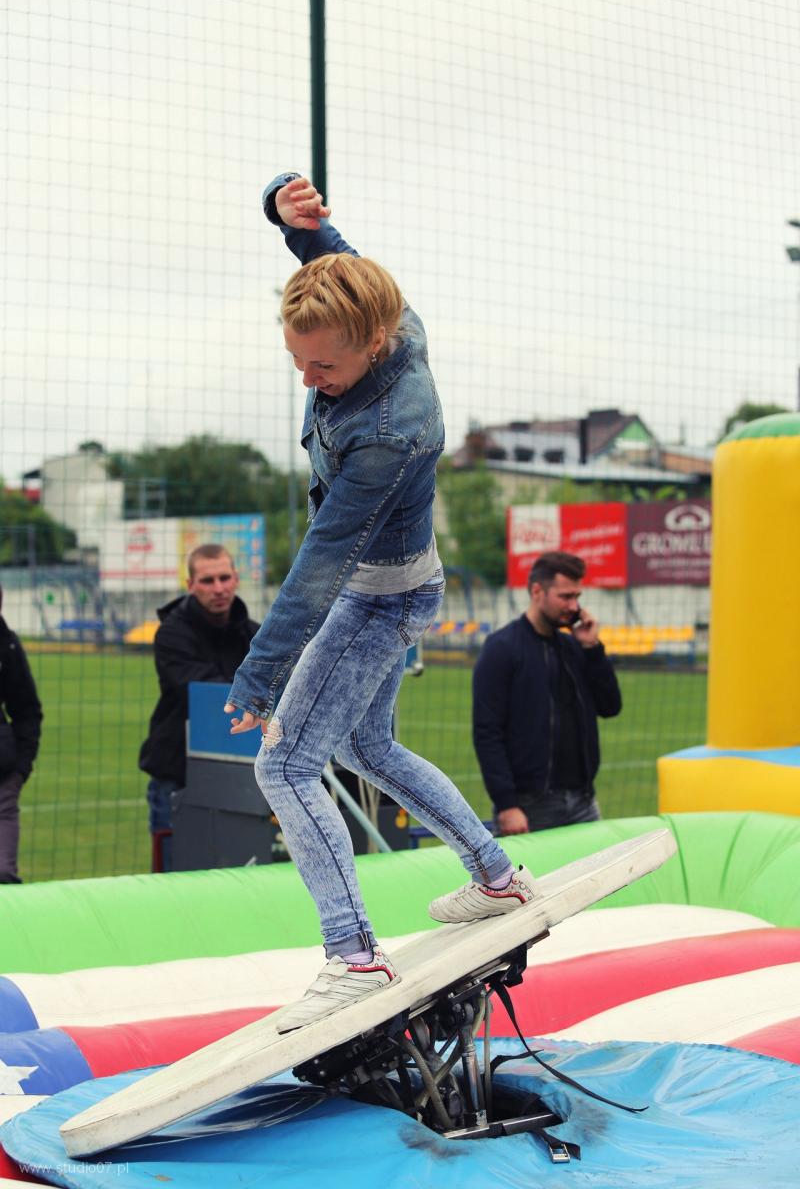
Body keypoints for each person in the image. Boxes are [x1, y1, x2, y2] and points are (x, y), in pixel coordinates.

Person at [224, 172, 539, 1031]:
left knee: (284, 766)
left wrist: (259, 677)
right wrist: (285, 213)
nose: (309, 379)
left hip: (377, 598)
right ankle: (497, 878)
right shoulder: (384, 316)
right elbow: (336, 261)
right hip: (391, 588)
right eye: (298, 362)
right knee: (367, 744)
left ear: (375, 343)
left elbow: (323, 564)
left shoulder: (394, 429)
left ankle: (355, 956)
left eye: (324, 366)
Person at [473, 550, 622, 836]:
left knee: (598, 868)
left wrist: (593, 650)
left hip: (583, 801)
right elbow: (487, 732)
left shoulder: (575, 647)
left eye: (577, 597)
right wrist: (507, 804)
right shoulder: (502, 648)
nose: (574, 606)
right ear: (537, 591)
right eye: (565, 597)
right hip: (529, 807)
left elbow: (610, 706)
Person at [139, 544, 258, 871]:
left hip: (240, 776)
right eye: (207, 580)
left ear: (236, 579)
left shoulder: (255, 635)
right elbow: (208, 692)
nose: (218, 588)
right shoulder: (171, 634)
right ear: (190, 584)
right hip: (178, 777)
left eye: (224, 578)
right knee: (175, 878)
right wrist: (255, 693)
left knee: (238, 874)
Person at [0, 585, 43, 885]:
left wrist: (19, 769)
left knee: (3, 877)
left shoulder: (6, 644)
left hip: (2, 782)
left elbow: (27, 709)